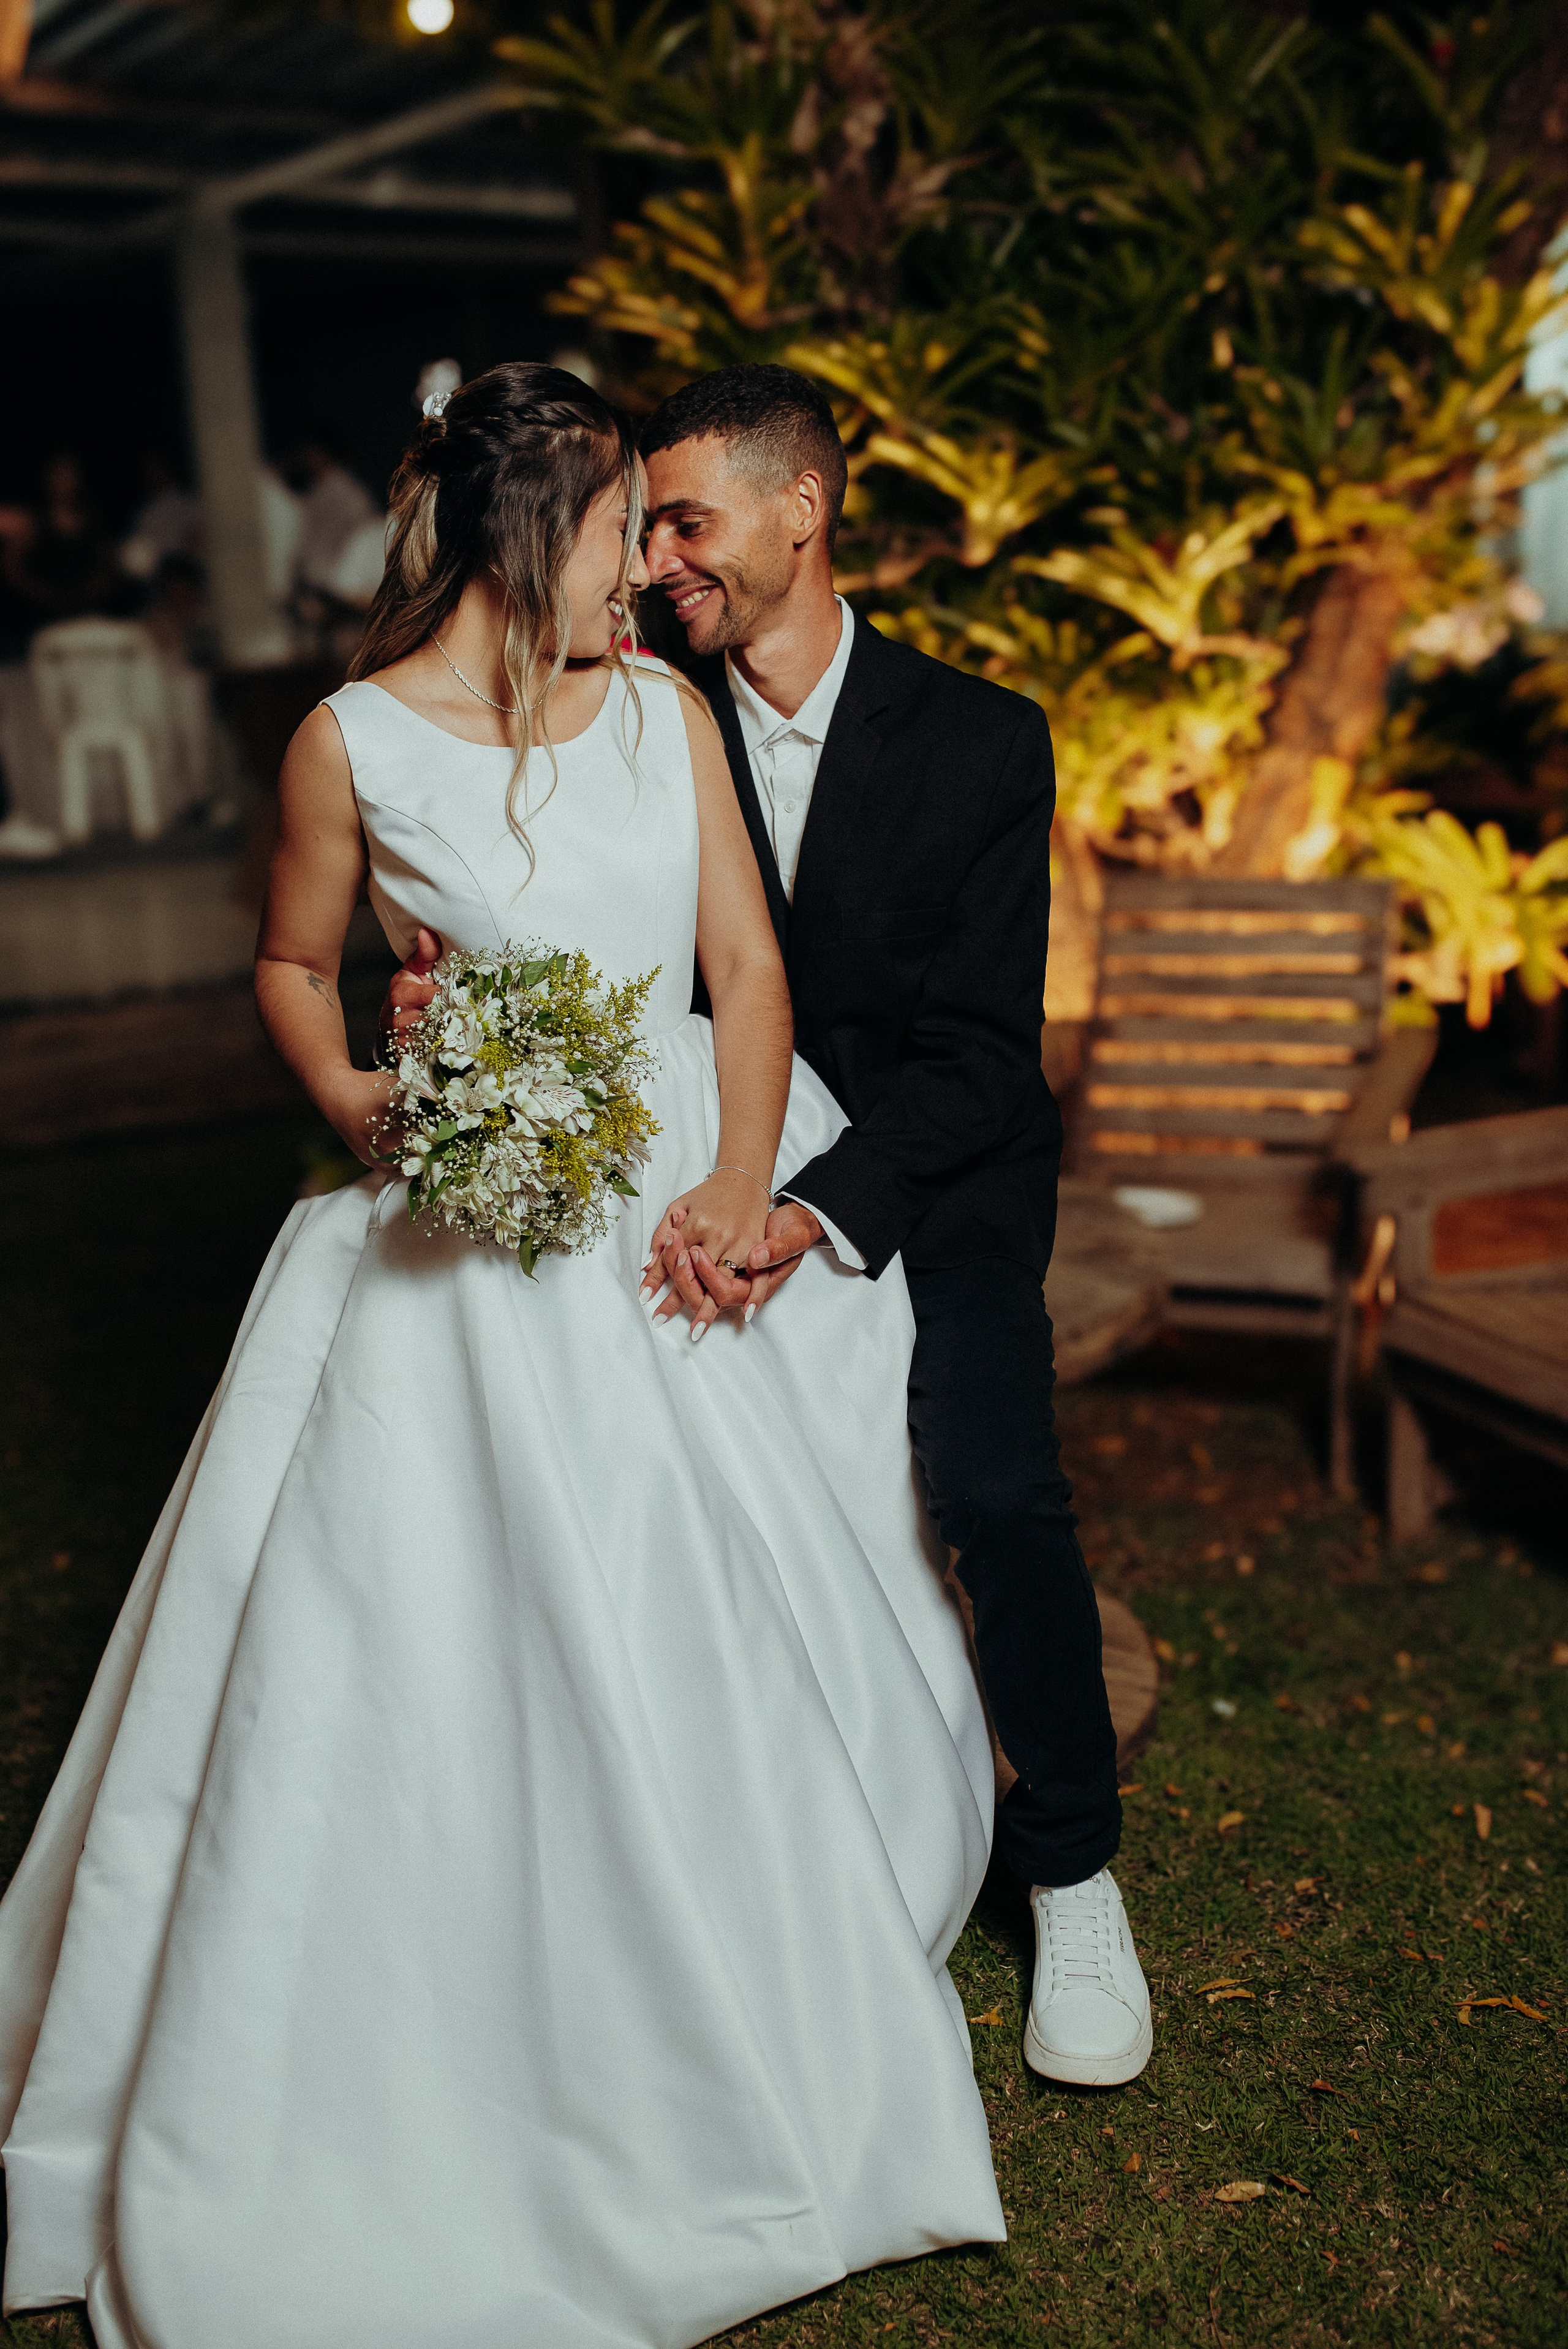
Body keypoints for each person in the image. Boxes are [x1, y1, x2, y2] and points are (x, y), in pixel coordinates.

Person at [0, 364, 1002, 2349]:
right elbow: (293, 966)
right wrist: (376, 1104)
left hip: (662, 1211)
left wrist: (734, 1179)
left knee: (717, 1605)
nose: (662, 563)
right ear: (536, 533)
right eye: (637, 526)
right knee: (411, 1648)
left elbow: (744, 967)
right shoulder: (347, 743)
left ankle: (731, 1966)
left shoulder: (658, 712)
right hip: (460, 1234)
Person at [388, 364, 1153, 2088]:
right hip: (688, 1169)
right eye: (642, 527)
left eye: (686, 520)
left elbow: (975, 1063)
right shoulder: (642, 709)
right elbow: (509, 867)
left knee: (987, 1474)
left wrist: (803, 1208)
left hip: (924, 1183)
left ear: (801, 509)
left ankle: (1076, 1866)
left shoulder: (980, 739)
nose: (659, 559)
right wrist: (446, 970)